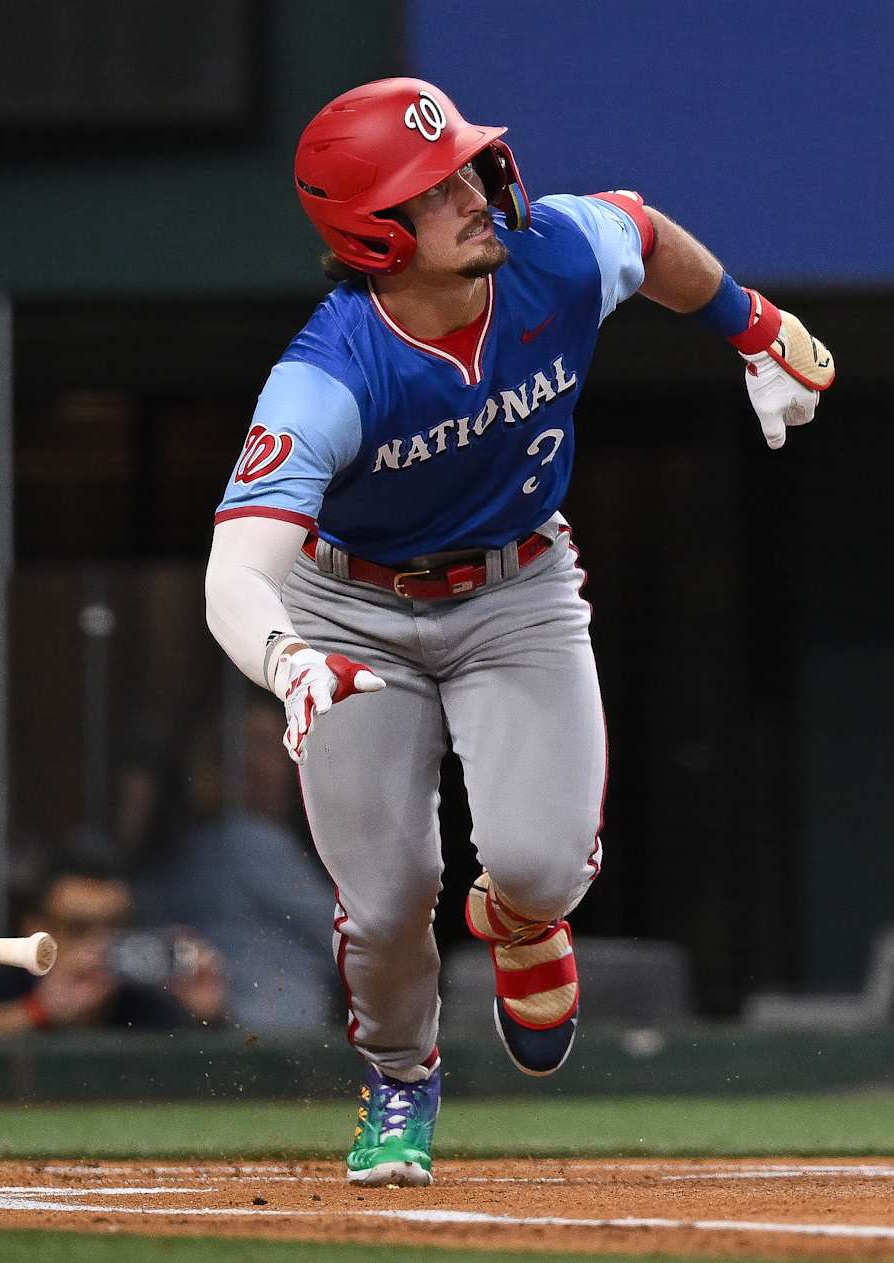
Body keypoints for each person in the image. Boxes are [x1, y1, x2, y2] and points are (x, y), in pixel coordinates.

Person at [203, 78, 835, 1186]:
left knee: (543, 866)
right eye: (428, 188)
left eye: (461, 167)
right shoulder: (327, 375)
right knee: (391, 897)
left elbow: (644, 231)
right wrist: (286, 658)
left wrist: (757, 326)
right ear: (370, 230)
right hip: (349, 611)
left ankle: (527, 917)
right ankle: (402, 1083)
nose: (468, 193)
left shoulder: (554, 251)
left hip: (515, 591)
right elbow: (234, 571)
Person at [133, 697, 340, 1034]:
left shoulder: (196, 841)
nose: (256, 764)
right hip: (269, 1042)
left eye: (270, 746)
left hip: (224, 1036)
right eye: (240, 748)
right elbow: (349, 938)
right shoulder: (245, 841)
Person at [0, 866, 224, 1034]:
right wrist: (42, 1010)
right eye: (78, 928)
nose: (99, 943)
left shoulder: (146, 1000)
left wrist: (205, 1018)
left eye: (115, 926)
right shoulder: (2, 985)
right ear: (35, 928)